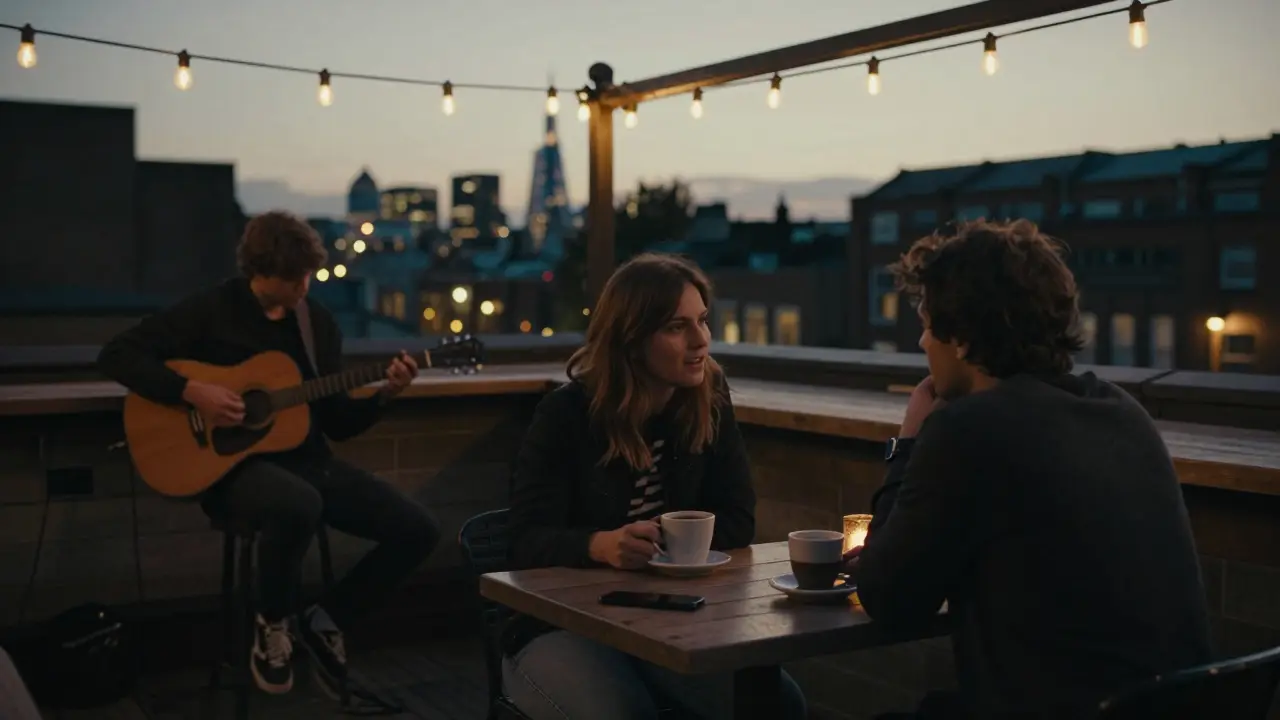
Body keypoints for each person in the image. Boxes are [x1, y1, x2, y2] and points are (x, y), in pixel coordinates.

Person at [847, 219, 1212, 719]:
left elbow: (888, 597)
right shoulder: (1122, 410)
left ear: (963, 337)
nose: (922, 344)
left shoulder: (968, 429)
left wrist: (906, 442)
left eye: (928, 323)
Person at [97, 211, 441, 699]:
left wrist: (385, 395)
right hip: (233, 469)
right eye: (294, 277)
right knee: (297, 504)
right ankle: (271, 623)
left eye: (308, 274)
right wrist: (192, 391)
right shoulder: (212, 310)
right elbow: (117, 354)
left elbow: (339, 423)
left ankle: (326, 618)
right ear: (261, 272)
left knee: (418, 530)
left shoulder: (315, 323)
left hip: (306, 461)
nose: (305, 285)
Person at [502, 253, 807, 720]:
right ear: (631, 340)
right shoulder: (566, 415)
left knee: (778, 704)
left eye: (702, 321)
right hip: (561, 624)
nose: (701, 340)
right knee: (624, 713)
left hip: (665, 619)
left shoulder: (709, 398)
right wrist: (600, 545)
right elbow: (524, 540)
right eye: (676, 327)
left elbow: (737, 520)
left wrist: (663, 549)